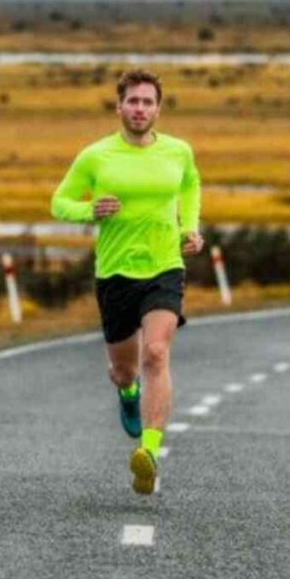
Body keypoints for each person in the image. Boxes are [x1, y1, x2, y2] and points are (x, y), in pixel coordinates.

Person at [50, 69, 203, 495]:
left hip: (165, 266)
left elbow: (190, 185)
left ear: (159, 108)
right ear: (119, 107)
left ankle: (149, 452)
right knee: (124, 368)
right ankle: (128, 390)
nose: (139, 109)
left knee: (156, 352)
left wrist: (189, 227)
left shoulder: (178, 152)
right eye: (132, 102)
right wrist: (89, 211)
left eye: (147, 102)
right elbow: (59, 202)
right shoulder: (96, 156)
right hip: (115, 272)